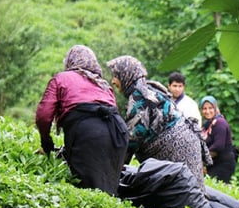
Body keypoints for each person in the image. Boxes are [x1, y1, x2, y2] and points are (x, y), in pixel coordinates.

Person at [35, 44, 128, 196]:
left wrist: (46, 142)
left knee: (86, 191)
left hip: (87, 131)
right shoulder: (104, 85)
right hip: (118, 134)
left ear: (70, 61)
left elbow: (43, 116)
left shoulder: (61, 78)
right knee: (107, 191)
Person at [106, 55, 210, 191]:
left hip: (177, 149)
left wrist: (111, 175)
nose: (113, 81)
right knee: (193, 193)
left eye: (116, 75)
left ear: (126, 75)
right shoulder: (147, 89)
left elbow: (131, 140)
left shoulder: (140, 97)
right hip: (186, 144)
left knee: (186, 195)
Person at [200, 95, 236, 184]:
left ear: (215, 108)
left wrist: (202, 160)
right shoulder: (206, 125)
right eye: (204, 108)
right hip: (213, 163)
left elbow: (218, 146)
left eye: (210, 108)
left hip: (223, 164)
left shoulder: (220, 123)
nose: (207, 111)